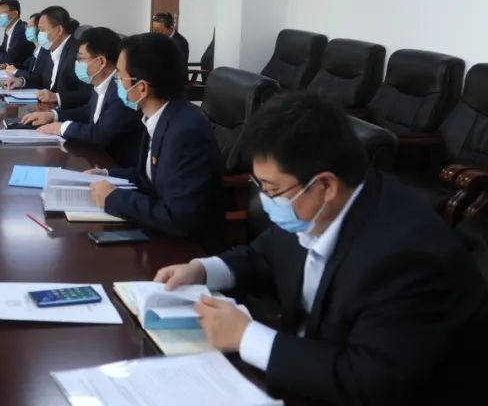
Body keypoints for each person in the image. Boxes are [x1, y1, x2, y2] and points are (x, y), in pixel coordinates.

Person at [153, 92, 488, 405]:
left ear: (325, 185)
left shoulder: (404, 260)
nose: (265, 200)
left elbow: (369, 379)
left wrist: (246, 337)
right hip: (308, 374)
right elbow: (263, 255)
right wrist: (202, 269)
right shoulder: (315, 206)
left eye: (271, 189)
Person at [87, 32, 224, 251]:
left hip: (187, 249)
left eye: (119, 76)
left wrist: (114, 198)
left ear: (141, 87)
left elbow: (178, 217)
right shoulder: (161, 115)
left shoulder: (184, 133)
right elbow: (150, 177)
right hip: (159, 231)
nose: (116, 82)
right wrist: (106, 174)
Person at [21, 27, 141, 167]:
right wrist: (53, 115)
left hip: (116, 165)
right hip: (96, 158)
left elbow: (101, 134)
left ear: (101, 62)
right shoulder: (102, 83)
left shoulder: (121, 92)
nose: (77, 63)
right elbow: (88, 111)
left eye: (81, 58)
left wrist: (63, 128)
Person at [5, 6, 90, 109]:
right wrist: (22, 81)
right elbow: (41, 79)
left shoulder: (78, 52)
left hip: (67, 111)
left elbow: (87, 93)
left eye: (42, 30)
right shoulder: (51, 48)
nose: (39, 34)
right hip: (47, 107)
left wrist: (56, 97)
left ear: (59, 30)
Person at [0, 0, 33, 66]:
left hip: (22, 69)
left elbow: (10, 59)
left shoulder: (21, 30)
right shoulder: (9, 28)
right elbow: (4, 47)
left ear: (15, 13)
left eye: (2, 13)